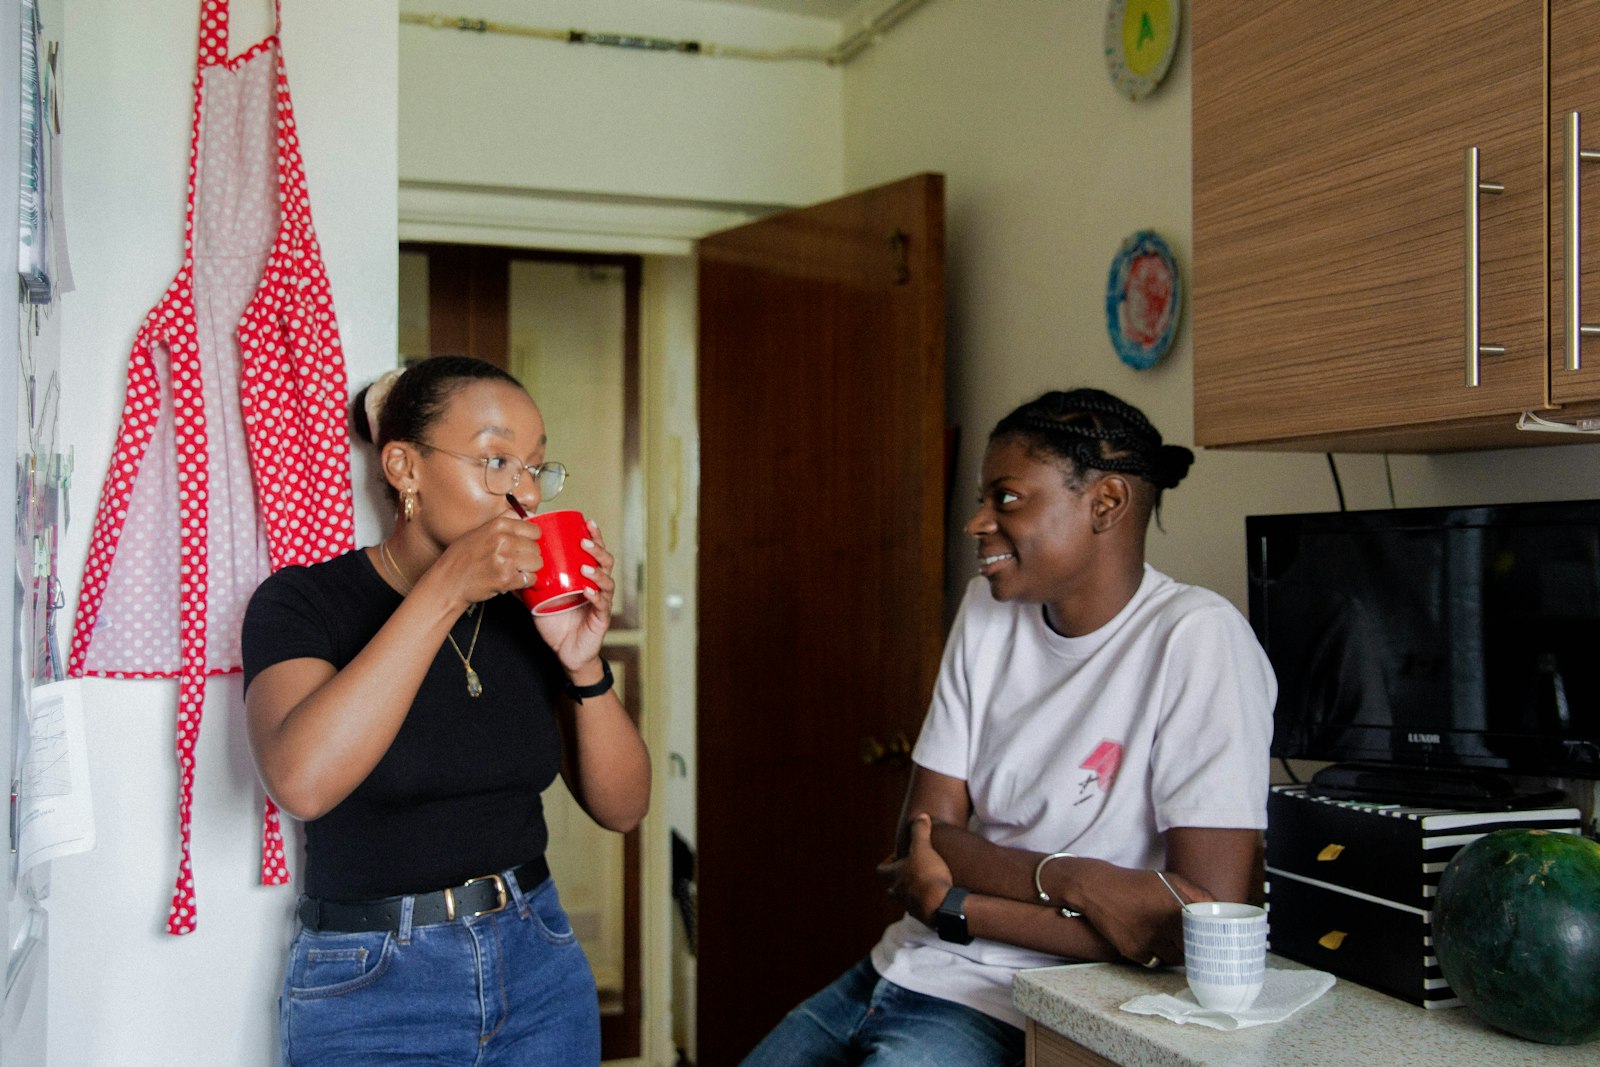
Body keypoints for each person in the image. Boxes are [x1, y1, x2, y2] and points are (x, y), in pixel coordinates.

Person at [743, 388, 1275, 1066]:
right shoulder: (990, 609)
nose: (976, 522)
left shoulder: (1199, 639)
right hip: (898, 969)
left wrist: (958, 905)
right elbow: (920, 838)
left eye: (1007, 498)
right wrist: (1079, 880)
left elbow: (1201, 926)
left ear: (1106, 503)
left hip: (1021, 1003)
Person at [241, 355, 650, 1066]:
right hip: (370, 986)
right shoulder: (302, 602)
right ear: (404, 467)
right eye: (495, 461)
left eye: (535, 468)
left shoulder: (527, 616)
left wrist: (582, 659)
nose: (523, 494)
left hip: (538, 960)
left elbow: (624, 806)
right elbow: (301, 780)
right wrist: (448, 587)